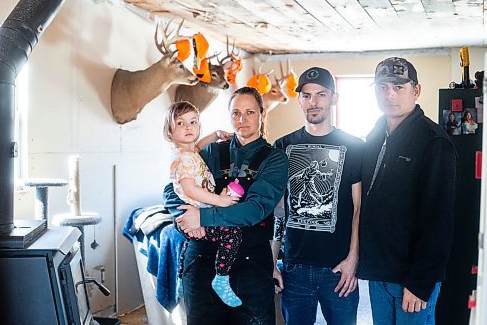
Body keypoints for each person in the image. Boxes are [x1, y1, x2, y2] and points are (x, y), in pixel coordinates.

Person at [163, 86, 288, 325]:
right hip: (201, 259)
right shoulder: (211, 151)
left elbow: (255, 209)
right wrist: (183, 220)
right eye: (236, 113)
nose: (242, 120)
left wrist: (203, 217)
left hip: (250, 263)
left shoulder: (274, 158)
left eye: (250, 112)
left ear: (262, 113)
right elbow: (171, 189)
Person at [358, 57, 457, 325]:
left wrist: (420, 282)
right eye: (382, 87)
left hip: (412, 279)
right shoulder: (376, 134)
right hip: (379, 273)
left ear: (416, 90)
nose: (389, 94)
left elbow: (439, 220)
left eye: (398, 87)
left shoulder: (433, 142)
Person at [272, 66, 364, 325]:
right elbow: (278, 210)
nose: (313, 102)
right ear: (300, 100)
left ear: (333, 98)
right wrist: (272, 261)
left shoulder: (355, 146)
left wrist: (353, 260)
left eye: (321, 95)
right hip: (294, 268)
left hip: (338, 269)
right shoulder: (282, 146)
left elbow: (358, 208)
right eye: (307, 95)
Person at [163, 101, 244, 307]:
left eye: (193, 122)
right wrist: (220, 200)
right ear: (170, 131)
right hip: (196, 217)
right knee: (232, 234)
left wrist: (216, 134)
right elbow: (189, 189)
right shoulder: (183, 159)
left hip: (195, 215)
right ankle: (222, 278)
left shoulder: (189, 153)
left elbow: (198, 146)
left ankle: (181, 280)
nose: (188, 127)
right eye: (180, 123)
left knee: (187, 246)